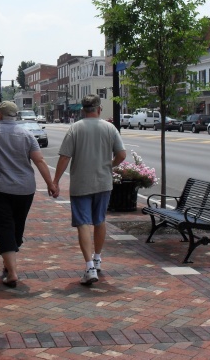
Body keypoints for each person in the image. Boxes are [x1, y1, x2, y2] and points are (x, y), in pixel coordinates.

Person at [0, 101, 59, 288]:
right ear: (16, 116)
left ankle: (12, 272)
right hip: (25, 189)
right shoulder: (27, 134)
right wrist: (50, 184)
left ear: (0, 115)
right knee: (17, 227)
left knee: (4, 227)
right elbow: (40, 161)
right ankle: (9, 261)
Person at [52, 94, 126, 286]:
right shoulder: (110, 128)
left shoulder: (75, 128)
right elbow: (122, 154)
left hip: (81, 184)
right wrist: (110, 165)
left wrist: (55, 181)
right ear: (99, 109)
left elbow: (64, 157)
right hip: (103, 183)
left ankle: (89, 266)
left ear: (83, 110)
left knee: (83, 223)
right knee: (100, 220)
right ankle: (98, 258)